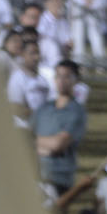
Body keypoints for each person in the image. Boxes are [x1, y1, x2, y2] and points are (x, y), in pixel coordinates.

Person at [30, 59, 85, 194]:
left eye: (66, 76)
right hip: (35, 174)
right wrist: (46, 149)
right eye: (58, 76)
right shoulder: (44, 108)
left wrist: (35, 143)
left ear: (75, 80)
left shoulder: (76, 112)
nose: (61, 80)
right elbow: (24, 136)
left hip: (58, 179)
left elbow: (58, 144)